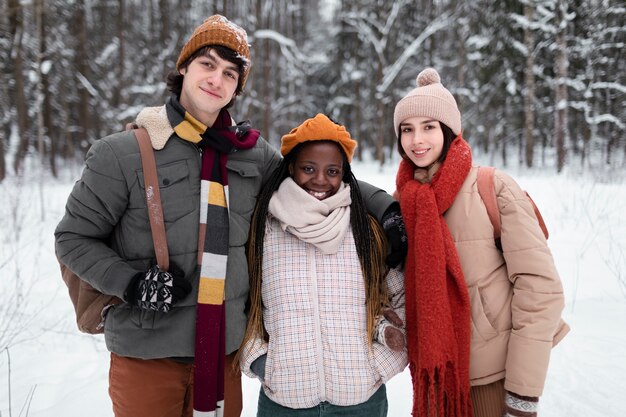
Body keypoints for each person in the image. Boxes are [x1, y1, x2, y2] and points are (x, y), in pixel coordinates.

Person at [54, 15, 406, 417]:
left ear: (238, 87)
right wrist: (132, 284)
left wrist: (385, 208)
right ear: (184, 67)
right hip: (148, 356)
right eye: (207, 64)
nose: (216, 80)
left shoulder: (252, 156)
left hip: (224, 357)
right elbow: (72, 238)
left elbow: (316, 181)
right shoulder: (124, 153)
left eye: (230, 73)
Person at [392, 68, 569, 417]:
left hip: (495, 380)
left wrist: (522, 392)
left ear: (449, 130)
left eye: (429, 127)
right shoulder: (401, 202)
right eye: (407, 130)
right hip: (436, 383)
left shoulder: (492, 187)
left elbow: (540, 289)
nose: (417, 140)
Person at [238, 113, 408, 416]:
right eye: (308, 168)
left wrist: (378, 367)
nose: (320, 179)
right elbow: (240, 300)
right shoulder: (264, 230)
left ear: (344, 173)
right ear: (290, 168)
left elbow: (402, 297)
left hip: (361, 401)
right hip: (284, 402)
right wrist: (261, 361)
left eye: (332, 170)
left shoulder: (365, 231)